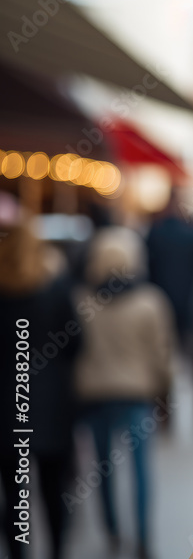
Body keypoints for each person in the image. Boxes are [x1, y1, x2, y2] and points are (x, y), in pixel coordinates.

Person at [74, 226, 177, 559]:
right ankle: (144, 538)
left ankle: (112, 531)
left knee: (101, 467)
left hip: (94, 396)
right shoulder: (151, 302)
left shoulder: (81, 301)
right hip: (136, 396)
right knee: (140, 470)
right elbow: (162, 356)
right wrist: (166, 395)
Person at [0, 222, 79, 559]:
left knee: (16, 493)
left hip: (7, 408)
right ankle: (57, 549)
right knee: (53, 491)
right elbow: (77, 343)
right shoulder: (56, 290)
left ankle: (20, 552)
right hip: (51, 407)